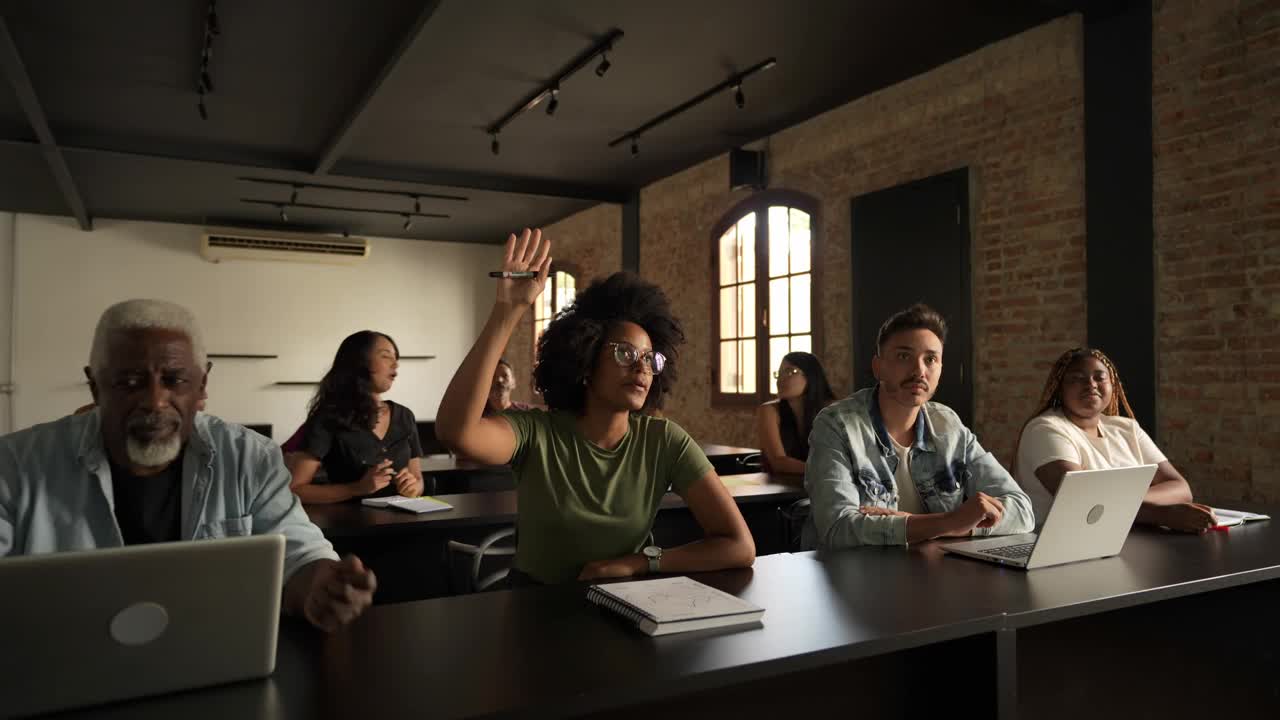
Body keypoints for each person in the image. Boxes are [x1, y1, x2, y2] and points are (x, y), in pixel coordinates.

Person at [0, 299, 374, 631]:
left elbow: (298, 554)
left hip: (210, 670)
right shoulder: (15, 467)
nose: (155, 401)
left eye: (175, 380)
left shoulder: (249, 459)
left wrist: (319, 586)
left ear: (202, 385)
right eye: (130, 382)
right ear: (95, 386)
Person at [436, 229, 755, 585]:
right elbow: (456, 433)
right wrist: (507, 311)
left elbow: (739, 546)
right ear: (585, 362)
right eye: (625, 353)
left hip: (626, 603)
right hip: (536, 607)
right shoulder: (537, 431)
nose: (641, 368)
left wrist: (640, 563)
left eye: (651, 359)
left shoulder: (664, 440)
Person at [804, 303, 1034, 549]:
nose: (919, 371)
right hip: (856, 576)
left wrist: (944, 527)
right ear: (878, 366)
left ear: (941, 368)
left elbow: (1022, 510)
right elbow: (839, 528)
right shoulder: (836, 424)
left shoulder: (948, 424)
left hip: (932, 574)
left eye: (931, 359)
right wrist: (949, 522)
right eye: (904, 356)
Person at [1014, 347, 1217, 532]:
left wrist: (1121, 501)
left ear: (1113, 385)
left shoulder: (1126, 428)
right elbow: (1079, 499)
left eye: (1099, 378)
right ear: (1060, 389)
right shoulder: (1045, 429)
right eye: (1077, 378)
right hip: (1062, 546)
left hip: (1126, 539)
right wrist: (1162, 514)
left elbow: (1180, 488)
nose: (1091, 384)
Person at [288, 331, 425, 504]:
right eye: (386, 356)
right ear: (360, 362)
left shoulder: (405, 416)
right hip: (353, 527)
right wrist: (357, 488)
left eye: (396, 358)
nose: (395, 365)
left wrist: (414, 486)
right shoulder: (328, 418)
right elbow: (296, 490)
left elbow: (418, 479)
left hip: (406, 523)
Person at [755, 351, 836, 478]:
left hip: (825, 485)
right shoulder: (769, 411)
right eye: (779, 373)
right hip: (780, 488)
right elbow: (778, 461)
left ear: (811, 376)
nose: (781, 379)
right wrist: (822, 471)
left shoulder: (832, 410)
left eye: (790, 372)